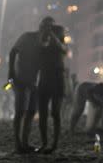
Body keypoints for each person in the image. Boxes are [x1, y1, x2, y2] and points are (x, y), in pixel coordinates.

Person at [9, 16, 54, 152]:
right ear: (41, 28)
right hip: (20, 79)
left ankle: (24, 142)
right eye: (46, 27)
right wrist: (11, 72)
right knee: (20, 111)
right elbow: (13, 52)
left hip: (33, 82)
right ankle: (18, 143)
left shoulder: (47, 44)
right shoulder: (27, 37)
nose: (47, 31)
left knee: (31, 112)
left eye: (50, 28)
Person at [37, 23, 67, 153]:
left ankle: (54, 144)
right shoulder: (45, 45)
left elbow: (62, 48)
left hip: (57, 81)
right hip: (45, 80)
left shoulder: (62, 47)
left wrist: (52, 35)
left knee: (55, 113)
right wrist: (47, 34)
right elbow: (41, 45)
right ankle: (44, 143)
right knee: (43, 114)